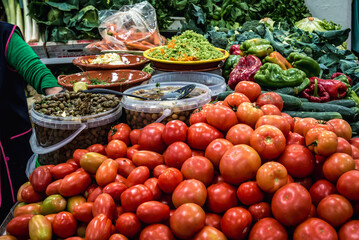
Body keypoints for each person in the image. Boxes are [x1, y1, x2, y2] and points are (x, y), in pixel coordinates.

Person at [0, 21, 63, 222]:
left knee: (18, 212)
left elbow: (33, 67)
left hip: (9, 145)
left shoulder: (3, 34)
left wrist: (55, 93)